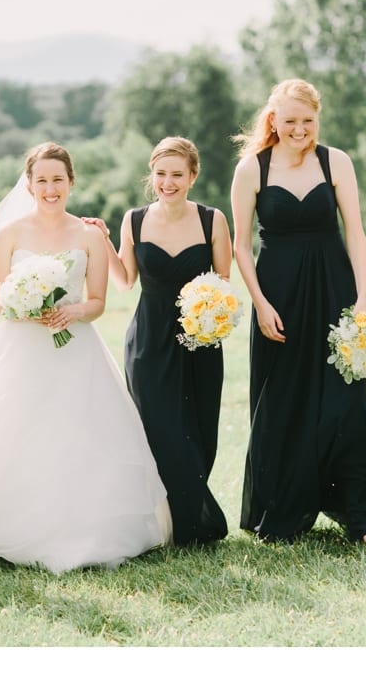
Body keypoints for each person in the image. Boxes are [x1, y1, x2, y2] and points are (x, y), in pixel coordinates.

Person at [0, 142, 169, 573]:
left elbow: (99, 300)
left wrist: (74, 310)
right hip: (18, 350)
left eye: (58, 180)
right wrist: (26, 305)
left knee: (77, 435)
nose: (50, 188)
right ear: (28, 184)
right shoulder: (9, 235)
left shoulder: (89, 236)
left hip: (76, 352)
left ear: (70, 182)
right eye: (42, 180)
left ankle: (82, 531)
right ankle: (0, 527)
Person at [231, 79, 366, 543]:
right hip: (278, 297)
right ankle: (283, 512)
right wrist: (260, 303)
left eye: (307, 120)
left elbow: (357, 234)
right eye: (290, 121)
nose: (299, 129)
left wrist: (362, 300)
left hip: (334, 290)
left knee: (344, 399)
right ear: (273, 121)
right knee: (282, 399)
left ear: (317, 118)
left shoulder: (335, 161)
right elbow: (241, 247)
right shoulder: (252, 169)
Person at [87, 136, 232, 544]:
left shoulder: (212, 220)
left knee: (201, 430)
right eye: (161, 174)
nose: (168, 182)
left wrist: (208, 312)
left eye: (177, 175)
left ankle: (187, 510)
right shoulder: (133, 220)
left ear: (192, 176)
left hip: (200, 337)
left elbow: (224, 282)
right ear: (152, 175)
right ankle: (182, 524)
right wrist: (103, 242)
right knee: (161, 429)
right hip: (149, 339)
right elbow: (125, 280)